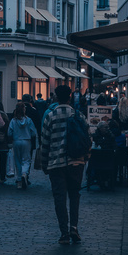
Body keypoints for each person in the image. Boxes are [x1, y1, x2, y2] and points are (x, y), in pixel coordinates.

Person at [40, 85, 91, 245]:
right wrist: (85, 158)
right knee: (74, 195)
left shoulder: (50, 116)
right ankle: (74, 227)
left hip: (56, 164)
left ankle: (64, 233)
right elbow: (88, 138)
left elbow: (45, 142)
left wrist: (44, 164)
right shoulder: (79, 115)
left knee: (60, 198)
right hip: (76, 162)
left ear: (55, 97)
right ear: (70, 97)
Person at [7, 102, 38, 189]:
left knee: (17, 160)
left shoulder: (13, 121)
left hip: (16, 141)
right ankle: (25, 173)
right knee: (26, 160)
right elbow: (33, 133)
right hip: (26, 141)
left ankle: (19, 180)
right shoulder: (28, 120)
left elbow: (9, 132)